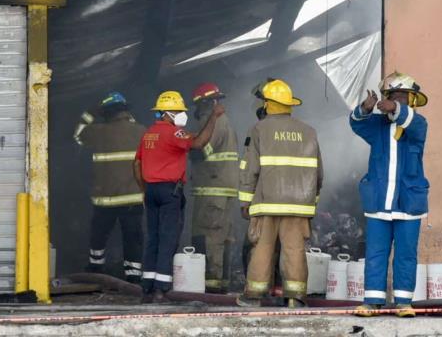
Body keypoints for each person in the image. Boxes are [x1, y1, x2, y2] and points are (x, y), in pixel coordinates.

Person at [237, 79, 322, 308]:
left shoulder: (259, 129)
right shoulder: (308, 131)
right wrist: (311, 201)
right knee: (294, 250)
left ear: (268, 104)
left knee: (263, 247)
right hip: (298, 205)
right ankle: (295, 297)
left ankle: (254, 296)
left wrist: (245, 200)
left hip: (267, 202)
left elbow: (250, 168)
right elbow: (318, 172)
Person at [349, 71, 429, 318]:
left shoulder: (418, 123)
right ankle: (372, 301)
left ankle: (403, 303)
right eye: (392, 95)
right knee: (375, 253)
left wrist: (394, 106)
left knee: (406, 254)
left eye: (401, 96)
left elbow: (409, 120)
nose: (396, 100)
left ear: (410, 99)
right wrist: (365, 108)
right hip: (378, 202)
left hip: (409, 201)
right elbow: (356, 123)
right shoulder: (377, 126)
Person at [134, 90, 223, 302]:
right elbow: (199, 142)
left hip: (152, 191)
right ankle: (161, 288)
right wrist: (214, 117)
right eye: (177, 111)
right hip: (169, 192)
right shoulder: (173, 134)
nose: (182, 114)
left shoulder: (148, 134)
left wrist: (144, 190)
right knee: (168, 238)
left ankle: (147, 286)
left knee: (153, 238)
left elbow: (136, 163)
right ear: (166, 113)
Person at [73, 91, 146, 282]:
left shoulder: (97, 132)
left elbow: (78, 135)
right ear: (126, 111)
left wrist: (91, 112)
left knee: (99, 235)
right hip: (132, 198)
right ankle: (133, 276)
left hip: (104, 199)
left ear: (105, 113)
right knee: (133, 237)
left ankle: (96, 269)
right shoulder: (141, 131)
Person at [189, 83, 239, 293]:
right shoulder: (223, 121)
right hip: (221, 190)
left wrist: (184, 143)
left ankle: (211, 287)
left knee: (210, 239)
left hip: (212, 190)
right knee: (223, 238)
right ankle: (221, 284)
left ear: (203, 103)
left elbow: (199, 151)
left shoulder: (212, 121)